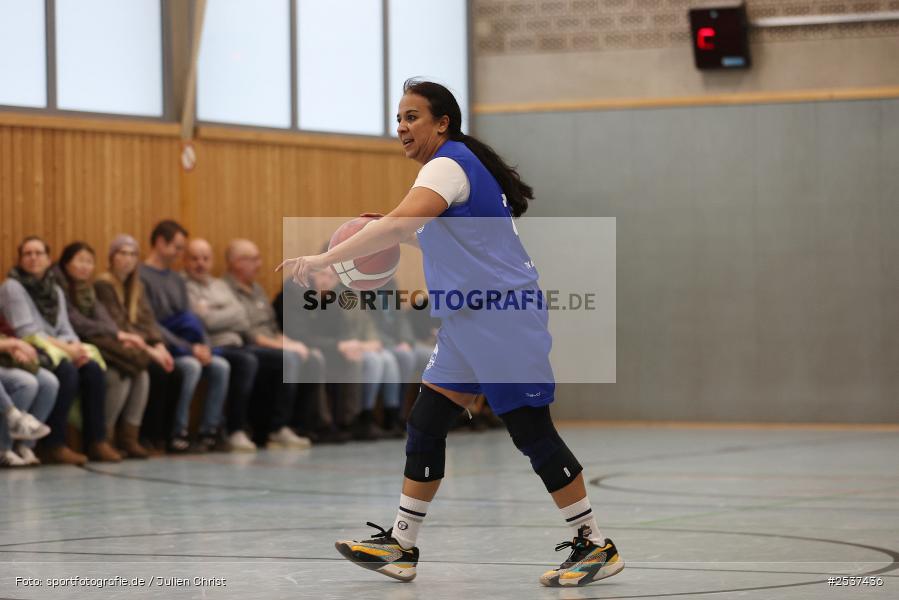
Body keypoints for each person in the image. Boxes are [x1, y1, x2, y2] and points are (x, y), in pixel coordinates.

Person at [278, 80, 623, 587]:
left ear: (442, 123)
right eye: (398, 118)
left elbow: (399, 228)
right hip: (467, 321)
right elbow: (435, 238)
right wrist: (394, 231)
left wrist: (324, 258)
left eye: (412, 117)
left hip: (502, 318)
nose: (402, 127)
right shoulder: (454, 170)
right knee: (426, 421)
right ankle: (401, 545)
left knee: (531, 432)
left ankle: (595, 544)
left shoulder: (448, 165)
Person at [0, 236, 119, 464]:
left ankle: (97, 441)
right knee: (66, 372)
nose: (34, 258)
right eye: (28, 253)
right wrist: (67, 350)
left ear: (48, 259)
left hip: (55, 348)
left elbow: (66, 328)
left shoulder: (55, 289)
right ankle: (54, 443)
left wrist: (75, 348)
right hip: (30, 349)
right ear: (20, 259)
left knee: (92, 369)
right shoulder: (12, 287)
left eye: (39, 253)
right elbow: (27, 332)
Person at [56, 242, 152, 459]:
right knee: (115, 376)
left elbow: (107, 323)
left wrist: (118, 335)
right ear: (66, 263)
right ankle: (101, 439)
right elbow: (76, 322)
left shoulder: (88, 290)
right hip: (75, 345)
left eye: (89, 262)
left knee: (141, 374)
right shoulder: (60, 288)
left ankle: (128, 439)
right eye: (80, 260)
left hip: (95, 345)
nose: (85, 266)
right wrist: (117, 335)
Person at [140, 221, 229, 453]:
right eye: (178, 248)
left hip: (185, 343)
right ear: (160, 243)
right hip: (163, 344)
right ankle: (177, 432)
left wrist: (202, 347)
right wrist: (190, 350)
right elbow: (152, 324)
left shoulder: (176, 279)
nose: (180, 254)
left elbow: (187, 319)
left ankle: (209, 431)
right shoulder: (141, 276)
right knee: (190, 366)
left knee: (220, 366)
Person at [94, 234, 177, 455]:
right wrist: (149, 350)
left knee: (144, 375)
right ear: (112, 257)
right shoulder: (103, 284)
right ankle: (106, 437)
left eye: (133, 254)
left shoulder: (136, 286)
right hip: (112, 348)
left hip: (134, 348)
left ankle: (130, 437)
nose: (128, 259)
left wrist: (159, 345)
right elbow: (117, 324)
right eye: (122, 253)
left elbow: (148, 321)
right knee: (122, 376)